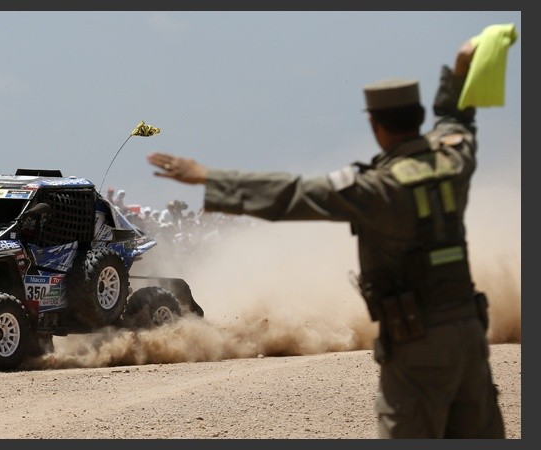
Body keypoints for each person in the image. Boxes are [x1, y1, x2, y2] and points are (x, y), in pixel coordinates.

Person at [146, 37, 505, 438]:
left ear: (375, 125)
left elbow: (293, 193)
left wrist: (209, 177)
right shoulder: (452, 162)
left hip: (416, 344)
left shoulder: (377, 189)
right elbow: (458, 123)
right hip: (469, 335)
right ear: (418, 116)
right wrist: (459, 71)